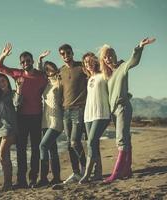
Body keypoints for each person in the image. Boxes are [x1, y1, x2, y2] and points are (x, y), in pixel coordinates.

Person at [99, 38, 156, 183]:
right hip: (114, 111)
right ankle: (127, 169)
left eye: (109, 55)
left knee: (121, 140)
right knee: (126, 139)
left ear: (115, 55)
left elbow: (134, 61)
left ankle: (117, 172)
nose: (107, 59)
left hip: (123, 108)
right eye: (105, 57)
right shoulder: (108, 75)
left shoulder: (123, 66)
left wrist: (139, 47)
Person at [0, 43, 48, 188]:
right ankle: (21, 180)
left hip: (37, 116)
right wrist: (4, 55)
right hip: (21, 118)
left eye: (28, 60)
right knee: (21, 150)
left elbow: (49, 82)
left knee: (36, 149)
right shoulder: (17, 74)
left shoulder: (40, 76)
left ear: (32, 61)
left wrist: (41, 62)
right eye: (23, 61)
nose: (26, 63)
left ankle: (33, 179)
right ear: (21, 63)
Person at [79, 52, 111, 184]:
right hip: (88, 115)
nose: (88, 64)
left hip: (101, 114)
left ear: (96, 61)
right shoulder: (89, 79)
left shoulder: (104, 75)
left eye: (90, 61)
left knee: (91, 141)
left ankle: (87, 174)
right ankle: (98, 173)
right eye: (86, 62)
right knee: (94, 144)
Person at [58, 44, 87, 184]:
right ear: (60, 55)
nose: (65, 55)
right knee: (69, 143)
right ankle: (76, 173)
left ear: (72, 53)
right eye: (62, 53)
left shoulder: (82, 66)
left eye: (68, 52)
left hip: (78, 109)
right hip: (65, 111)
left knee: (75, 141)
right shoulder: (61, 71)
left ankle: (86, 169)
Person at [35, 50, 63, 187]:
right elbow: (39, 72)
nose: (49, 70)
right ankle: (57, 177)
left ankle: (44, 178)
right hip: (45, 121)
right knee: (52, 149)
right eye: (47, 69)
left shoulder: (59, 82)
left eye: (51, 68)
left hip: (56, 120)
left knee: (43, 146)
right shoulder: (46, 84)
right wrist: (39, 59)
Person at [0, 73, 23, 191]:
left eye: (3, 81)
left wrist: (19, 88)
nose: (1, 83)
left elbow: (17, 102)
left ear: (7, 81)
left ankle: (7, 183)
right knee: (5, 157)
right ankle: (8, 183)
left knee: (1, 154)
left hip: (9, 129)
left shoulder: (12, 94)